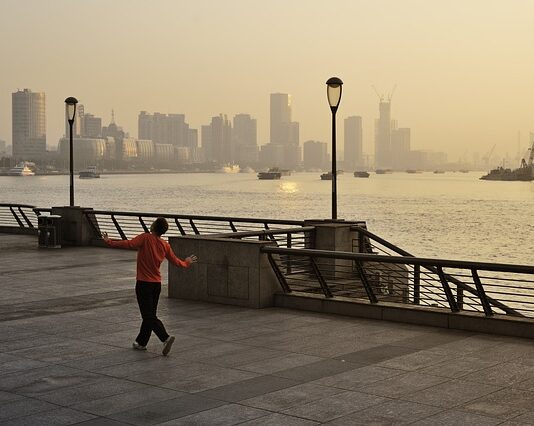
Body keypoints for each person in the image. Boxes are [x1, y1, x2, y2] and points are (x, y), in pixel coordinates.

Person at [102, 217, 197, 356]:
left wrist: (109, 242)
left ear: (153, 226)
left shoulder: (145, 238)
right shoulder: (165, 245)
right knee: (149, 315)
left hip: (143, 283)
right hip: (156, 284)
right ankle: (141, 343)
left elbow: (128, 244)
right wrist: (187, 262)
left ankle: (165, 337)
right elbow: (176, 262)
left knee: (148, 316)